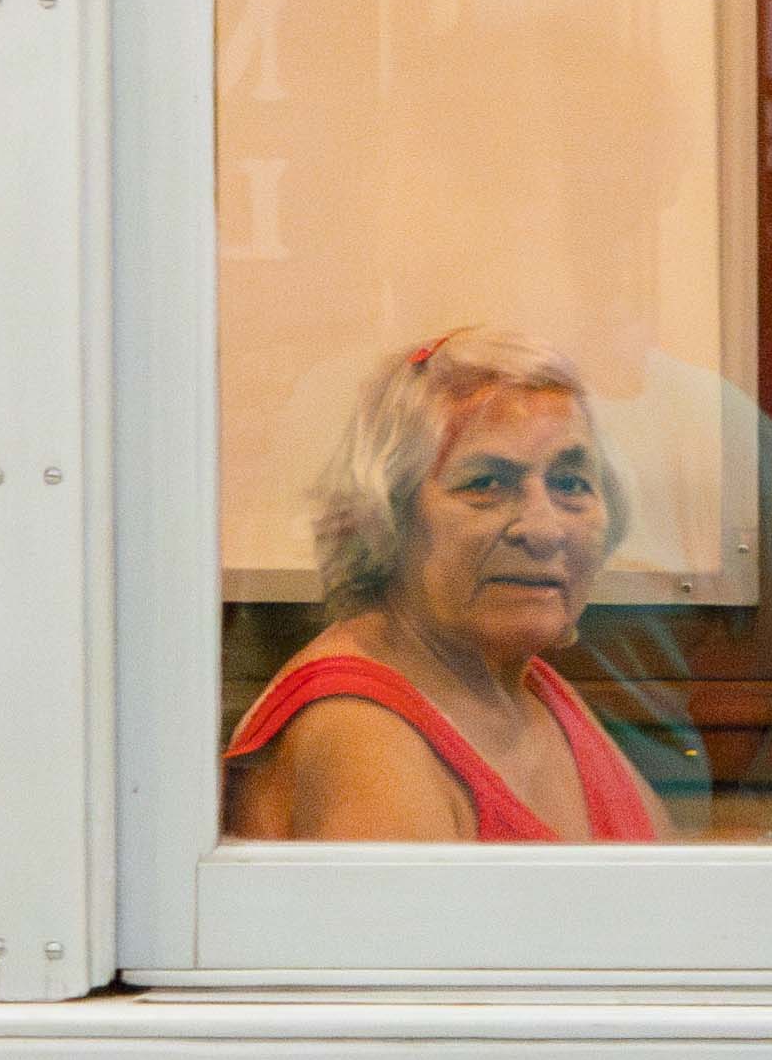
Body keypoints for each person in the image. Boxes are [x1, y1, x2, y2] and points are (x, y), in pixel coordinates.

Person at [224, 329, 674, 843]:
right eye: (486, 483)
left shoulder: (527, 685)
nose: (545, 529)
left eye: (571, 484)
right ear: (387, 516)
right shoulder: (359, 735)